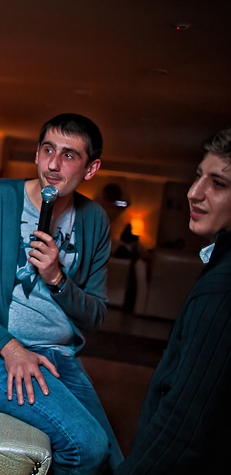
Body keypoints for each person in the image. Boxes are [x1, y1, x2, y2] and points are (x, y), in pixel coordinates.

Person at [0, 113, 123, 475]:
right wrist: (11, 349)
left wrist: (56, 278)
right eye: (48, 150)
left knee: (113, 462)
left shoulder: (94, 220)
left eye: (69, 155)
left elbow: (96, 316)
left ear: (91, 168)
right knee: (88, 446)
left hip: (60, 357)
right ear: (37, 153)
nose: (53, 165)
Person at [116, 127, 231, 474]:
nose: (194, 193)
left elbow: (184, 425)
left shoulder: (222, 289)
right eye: (199, 176)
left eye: (219, 183)